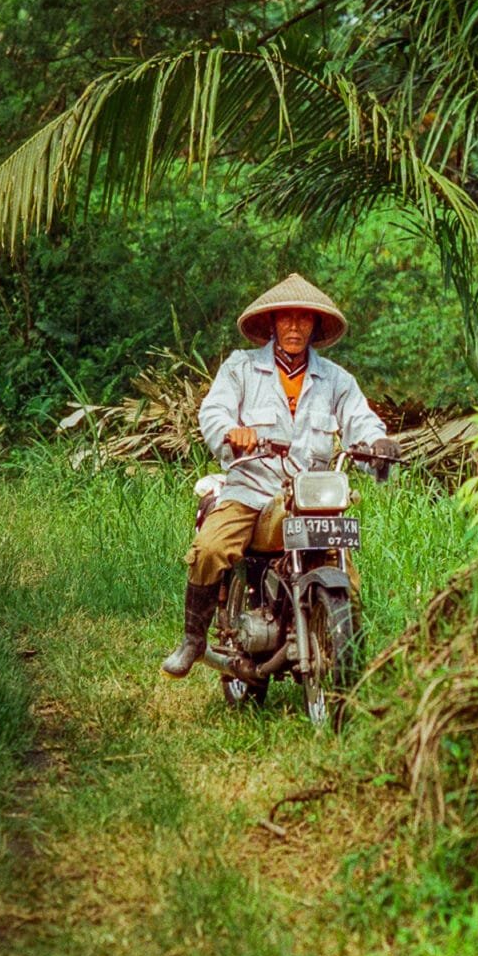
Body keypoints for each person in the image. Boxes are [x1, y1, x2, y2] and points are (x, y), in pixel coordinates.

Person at [161, 273, 398, 678]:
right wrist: (231, 434)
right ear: (271, 324)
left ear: (314, 326)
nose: (293, 327)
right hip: (250, 491)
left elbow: (361, 421)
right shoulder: (241, 368)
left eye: (302, 319)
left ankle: (345, 656)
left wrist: (379, 444)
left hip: (311, 498)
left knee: (349, 580)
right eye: (285, 319)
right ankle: (193, 639)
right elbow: (213, 412)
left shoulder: (337, 380)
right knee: (211, 549)